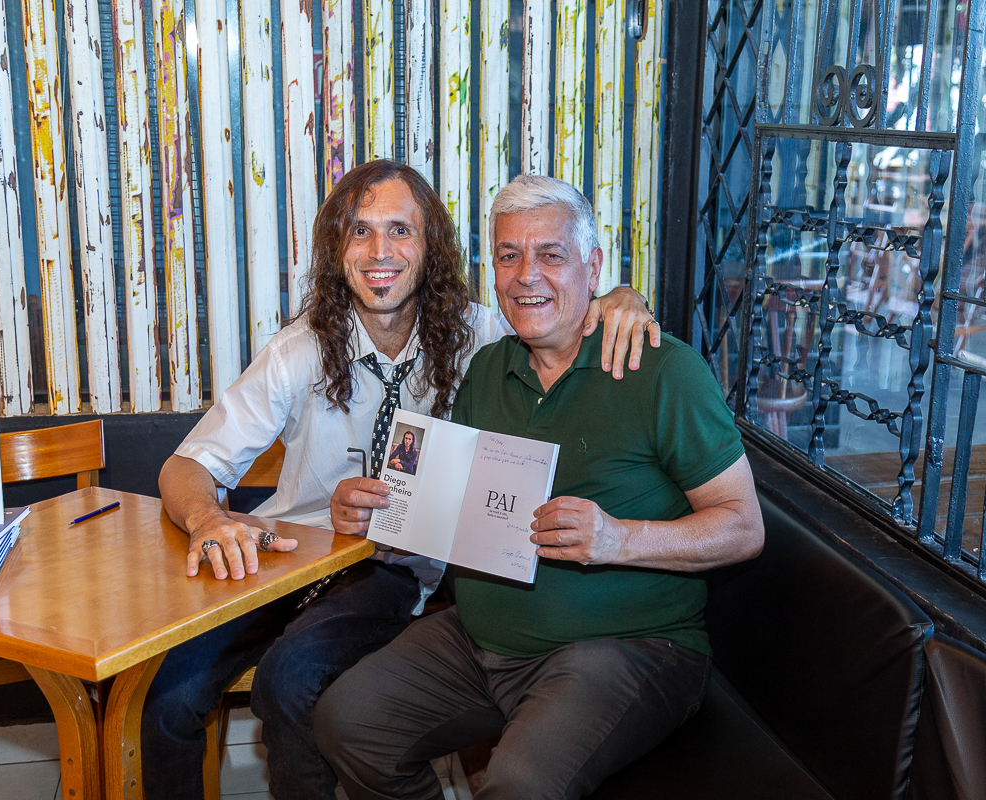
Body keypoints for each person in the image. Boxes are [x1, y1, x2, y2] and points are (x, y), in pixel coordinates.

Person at [143, 160, 659, 800]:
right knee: (164, 692)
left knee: (289, 679)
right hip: (287, 556)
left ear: (430, 247)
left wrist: (621, 300)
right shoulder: (300, 349)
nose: (379, 252)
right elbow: (188, 466)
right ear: (338, 249)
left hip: (391, 566)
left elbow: (562, 313)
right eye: (360, 232)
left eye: (400, 231)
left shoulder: (485, 335)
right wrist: (210, 518)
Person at [313, 174, 765, 800]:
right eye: (508, 256)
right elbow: (451, 512)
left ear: (593, 266)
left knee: (520, 784)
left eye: (551, 255)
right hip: (481, 644)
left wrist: (617, 538)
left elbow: (744, 526)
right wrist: (377, 515)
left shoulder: (662, 370)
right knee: (348, 721)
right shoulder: (488, 369)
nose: (528, 275)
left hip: (627, 650)